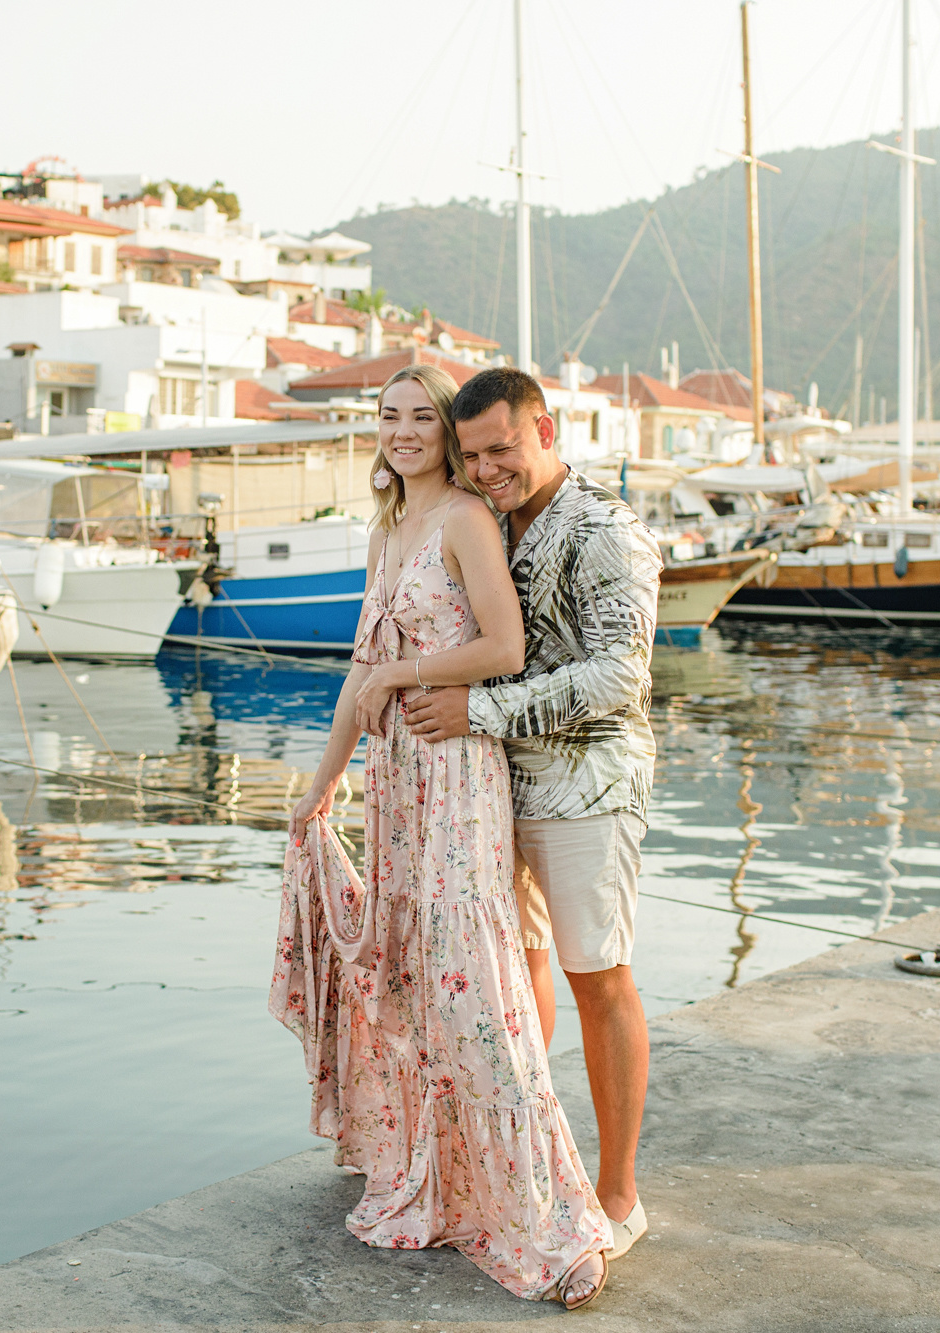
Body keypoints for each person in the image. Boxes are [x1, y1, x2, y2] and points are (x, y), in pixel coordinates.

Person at [271, 363, 611, 1309]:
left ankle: (546, 1210)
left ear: (452, 436)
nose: (406, 431)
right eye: (391, 417)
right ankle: (446, 1182)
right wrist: (324, 782)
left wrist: (401, 676)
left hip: (457, 775)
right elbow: (359, 674)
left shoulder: (465, 518)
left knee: (476, 986)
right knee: (416, 982)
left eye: (425, 416)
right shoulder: (387, 530)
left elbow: (504, 648)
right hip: (394, 785)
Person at [402, 366, 662, 1264]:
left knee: (600, 978)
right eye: (471, 454)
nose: (486, 467)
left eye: (501, 448)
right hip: (493, 790)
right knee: (515, 978)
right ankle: (526, 1170)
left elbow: (620, 676)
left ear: (546, 428)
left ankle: (619, 1195)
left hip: (589, 786)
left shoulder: (607, 530)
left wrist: (478, 711)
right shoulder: (488, 519)